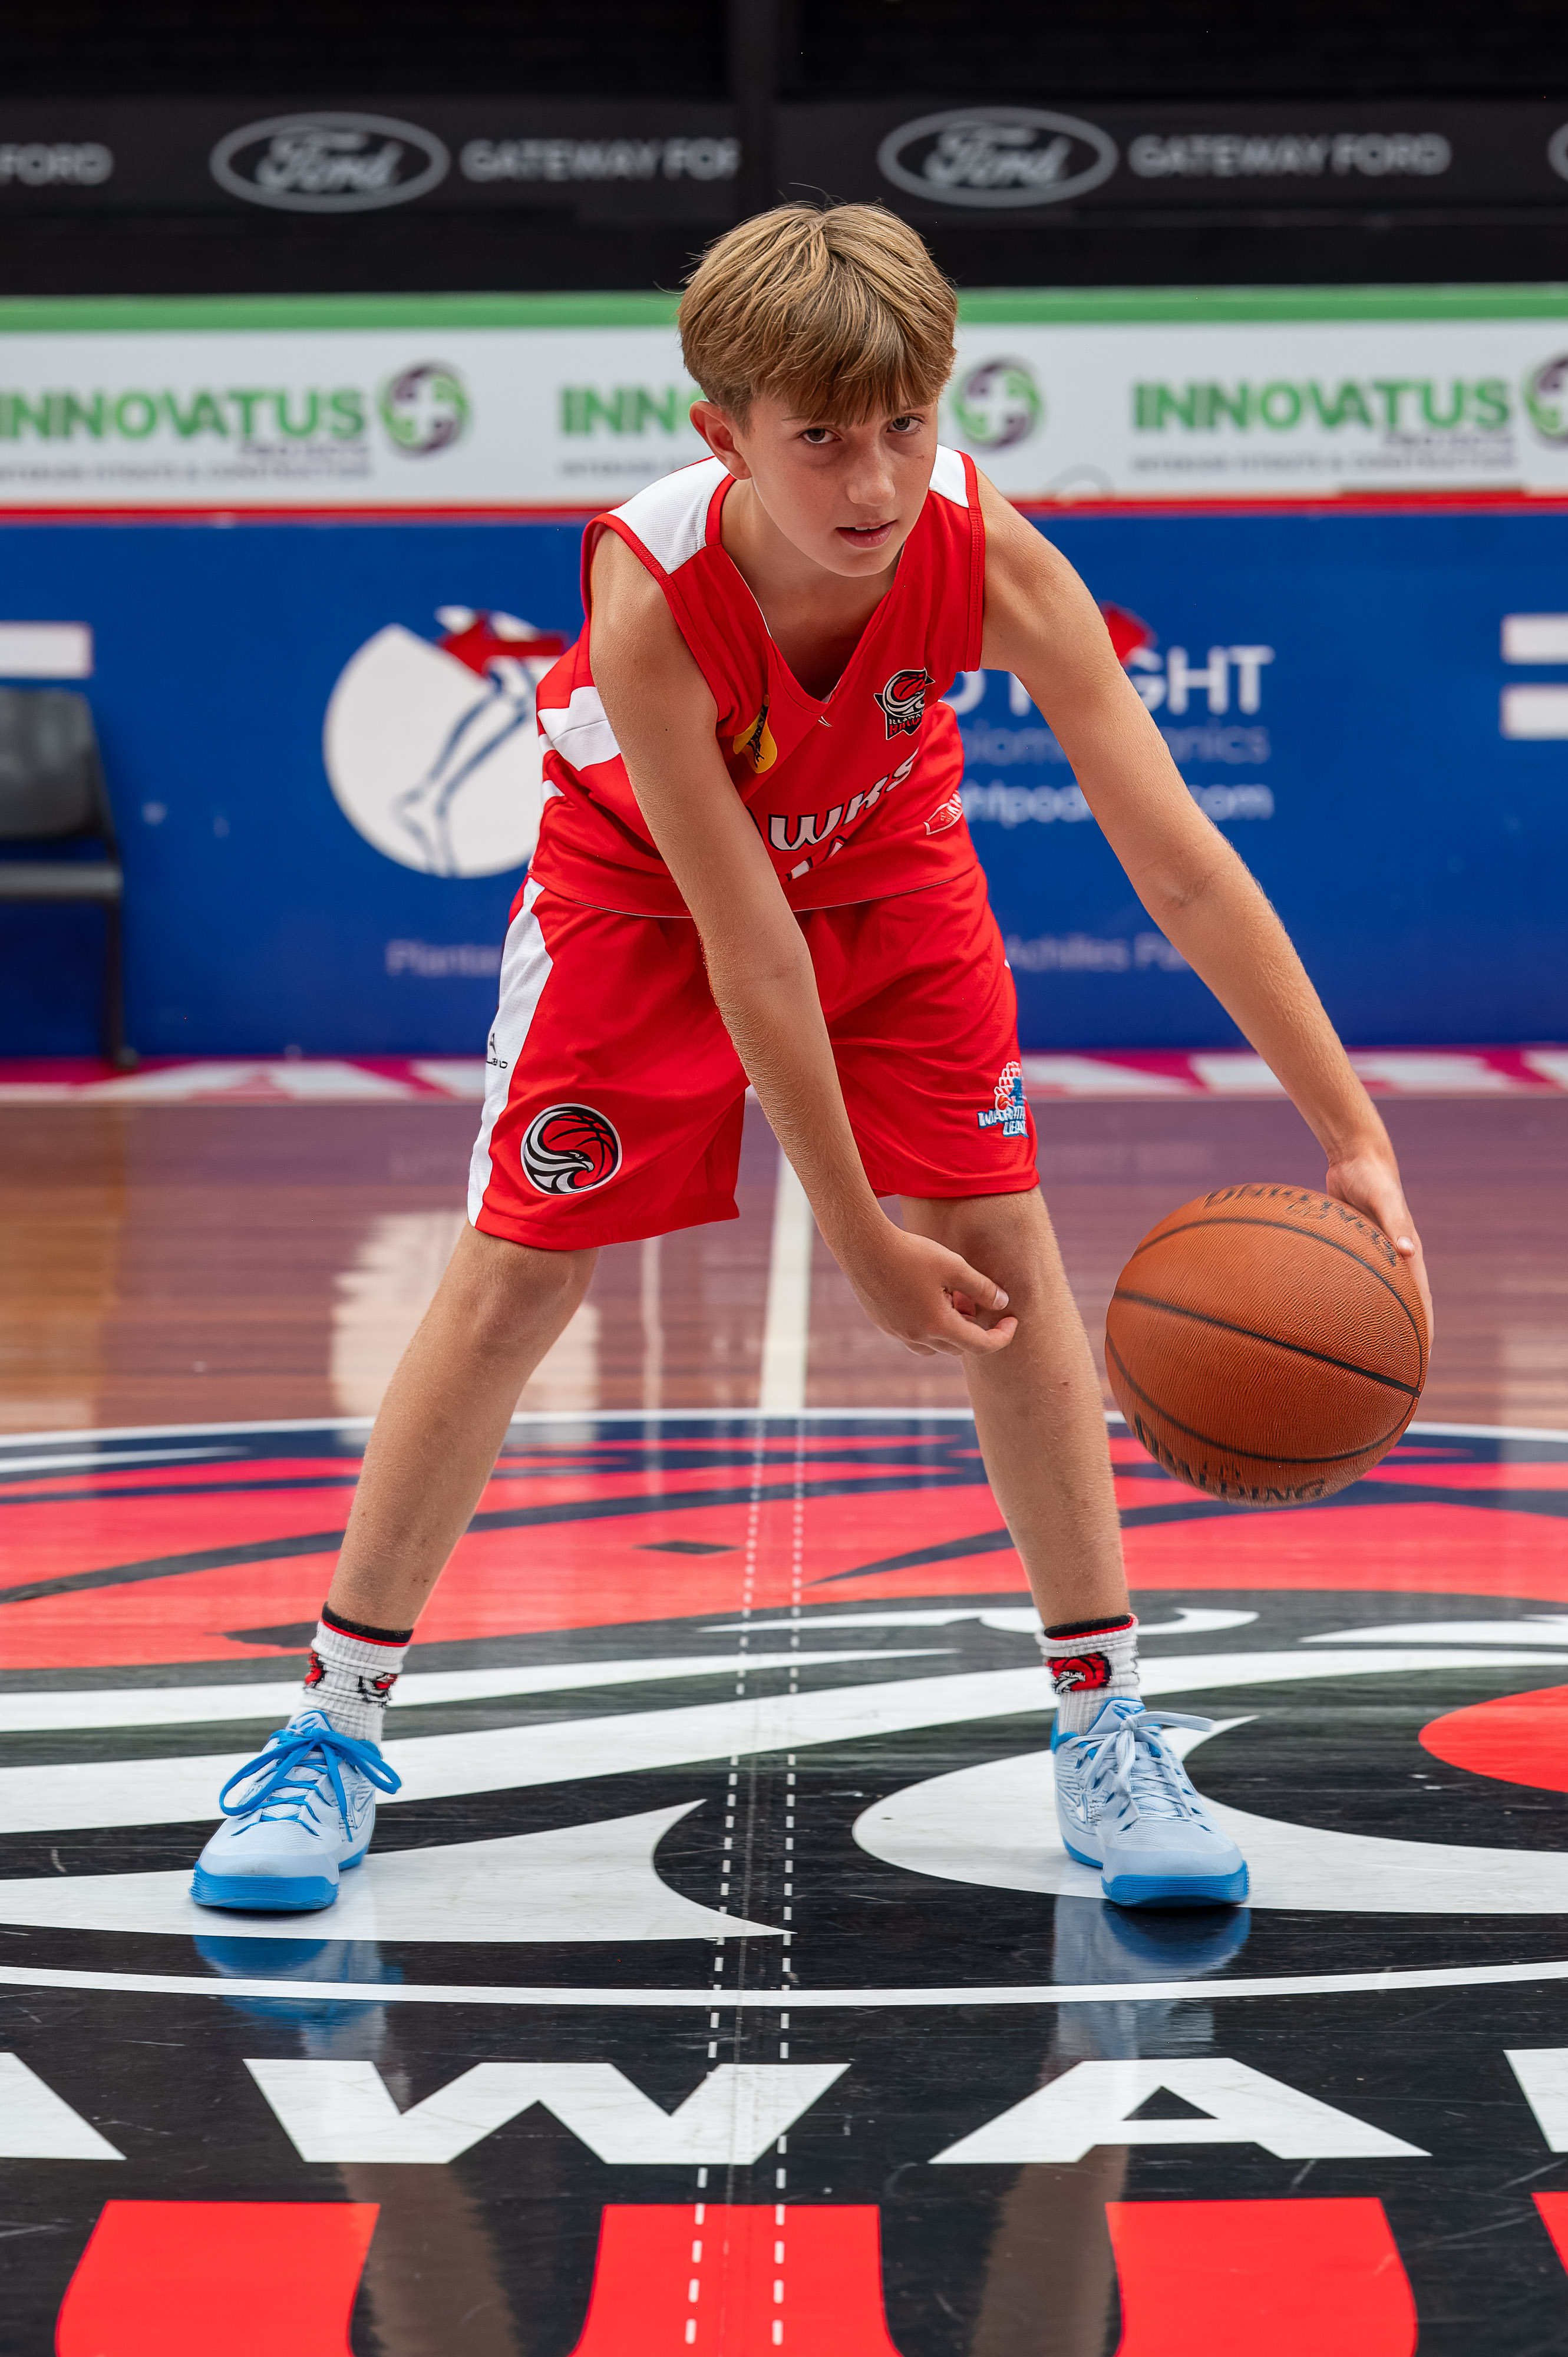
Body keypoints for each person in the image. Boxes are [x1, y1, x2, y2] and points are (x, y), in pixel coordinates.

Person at [192, 202, 1432, 1918]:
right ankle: (329, 1729)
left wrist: (1349, 1129)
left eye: (907, 425)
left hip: (890, 870)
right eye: (824, 439)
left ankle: (1106, 1722)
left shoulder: (990, 559)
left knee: (1002, 1249)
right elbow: (750, 949)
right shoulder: (652, 594)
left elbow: (1180, 864)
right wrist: (856, 1241)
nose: (875, 478)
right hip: (643, 901)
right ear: (726, 434)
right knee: (516, 1279)